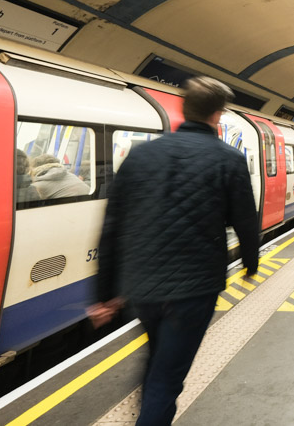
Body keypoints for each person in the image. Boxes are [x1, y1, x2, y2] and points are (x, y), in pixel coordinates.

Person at [89, 76, 259, 426]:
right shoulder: (228, 159)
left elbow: (111, 228)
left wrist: (104, 295)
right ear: (217, 115)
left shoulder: (140, 156)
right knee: (168, 376)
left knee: (158, 360)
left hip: (142, 287)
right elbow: (245, 221)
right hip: (194, 288)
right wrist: (250, 263)